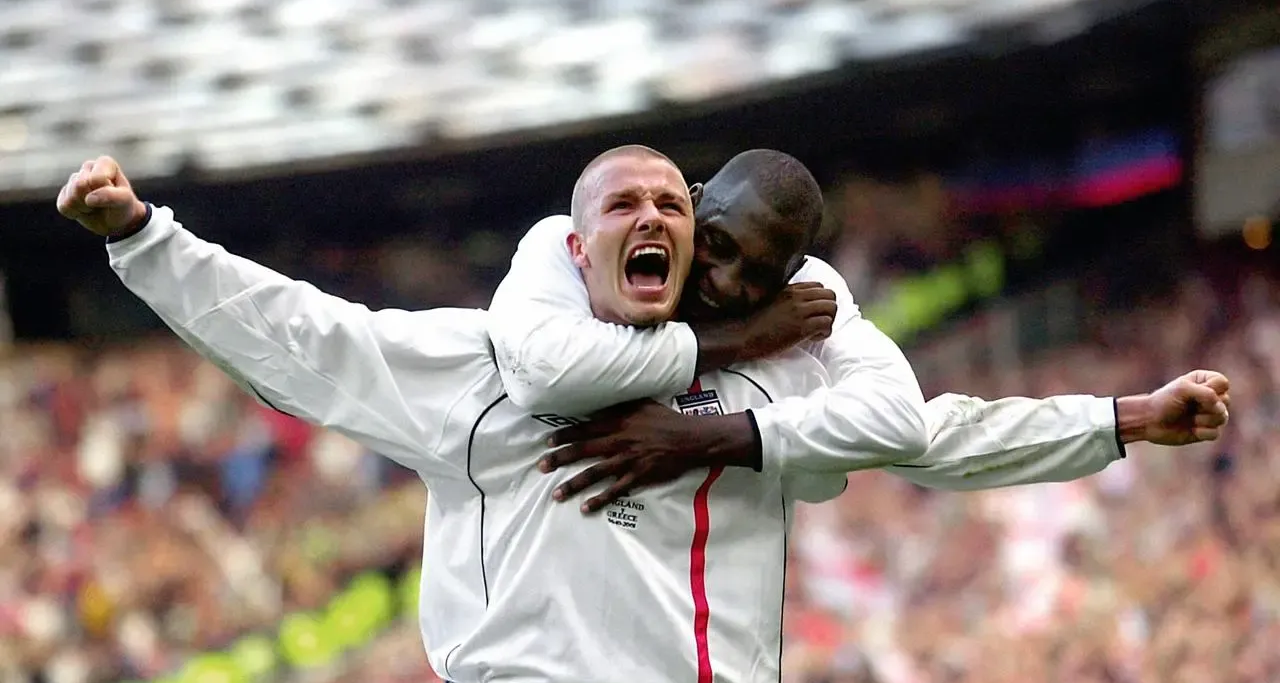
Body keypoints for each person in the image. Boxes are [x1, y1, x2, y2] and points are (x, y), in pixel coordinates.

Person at [57, 151, 1228, 683]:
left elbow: (933, 434)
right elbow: (310, 336)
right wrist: (146, 240)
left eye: (676, 201)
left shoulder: (777, 383)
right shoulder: (489, 363)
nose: (654, 216)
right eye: (624, 202)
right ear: (578, 247)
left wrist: (1119, 416)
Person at [487, 148, 1231, 511]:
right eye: (714, 246)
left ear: (792, 272)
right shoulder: (573, 255)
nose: (721, 282)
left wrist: (1127, 417)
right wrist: (734, 342)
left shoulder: (807, 310)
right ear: (695, 204)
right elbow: (540, 369)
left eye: (755, 272)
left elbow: (916, 428)